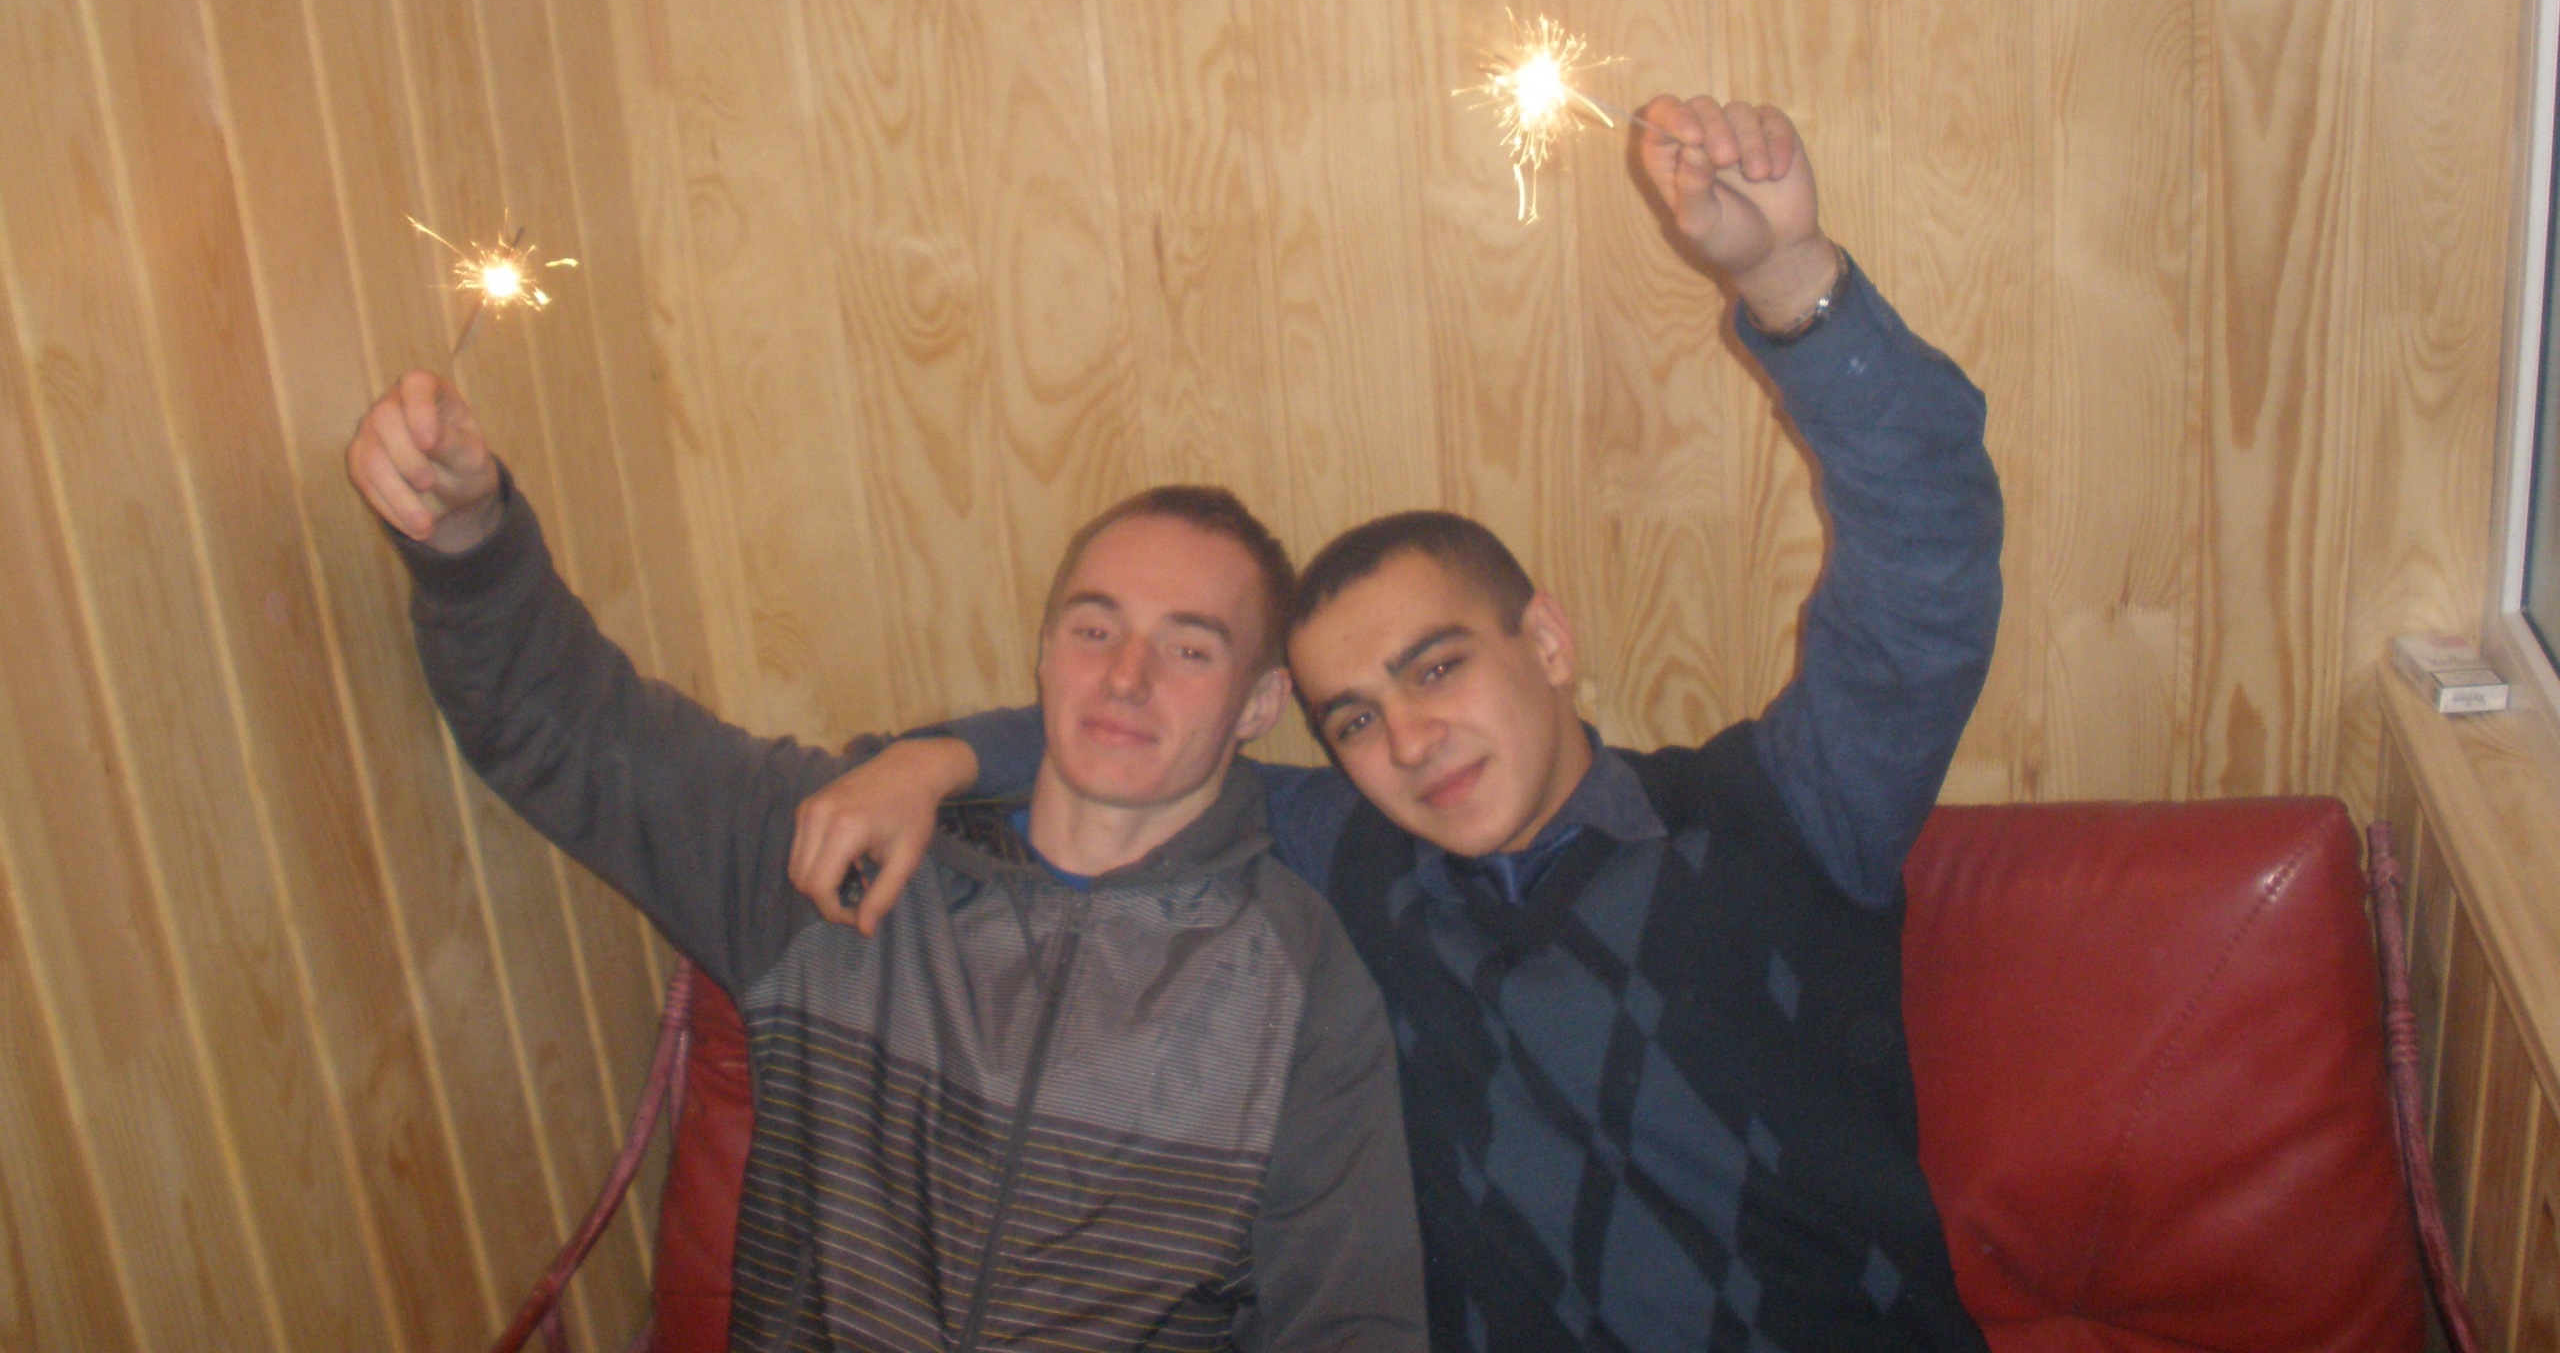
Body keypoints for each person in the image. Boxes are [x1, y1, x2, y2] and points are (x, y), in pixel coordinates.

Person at [792, 95, 2004, 1352]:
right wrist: (925, 763)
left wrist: (1785, 273)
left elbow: (1928, 560)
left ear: (1546, 642)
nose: (1409, 744)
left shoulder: (1784, 808)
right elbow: (1143, 738)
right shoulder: (1350, 858)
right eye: (1356, 718)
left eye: (1436, 670)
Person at [345, 395, 1427, 1353]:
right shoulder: (845, 842)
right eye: (1095, 628)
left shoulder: (1299, 982)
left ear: (1258, 704)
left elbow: (1348, 1323)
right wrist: (470, 534)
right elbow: (563, 726)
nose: (1125, 678)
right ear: (1044, 651)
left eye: (1189, 649)